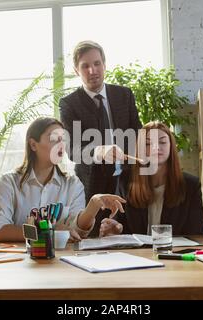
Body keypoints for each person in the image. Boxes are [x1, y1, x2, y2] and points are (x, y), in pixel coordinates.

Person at [0, 117, 126, 242]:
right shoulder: (8, 183)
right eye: (53, 139)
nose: (61, 144)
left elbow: (77, 231)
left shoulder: (73, 184)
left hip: (61, 263)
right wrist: (47, 233)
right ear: (33, 145)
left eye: (63, 139)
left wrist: (93, 206)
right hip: (20, 264)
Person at [60, 40, 142, 236]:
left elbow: (137, 133)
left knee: (129, 237)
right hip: (91, 187)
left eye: (97, 63)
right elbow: (72, 149)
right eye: (85, 66)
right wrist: (99, 151)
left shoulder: (124, 95)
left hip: (128, 183)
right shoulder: (69, 104)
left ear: (104, 64)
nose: (92, 70)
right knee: (93, 241)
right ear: (76, 70)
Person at [99, 121, 203, 237]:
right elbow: (120, 225)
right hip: (135, 254)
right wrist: (114, 229)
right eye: (147, 144)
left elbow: (197, 232)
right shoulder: (125, 181)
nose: (156, 147)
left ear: (171, 146)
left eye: (162, 142)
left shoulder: (191, 185)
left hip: (174, 253)